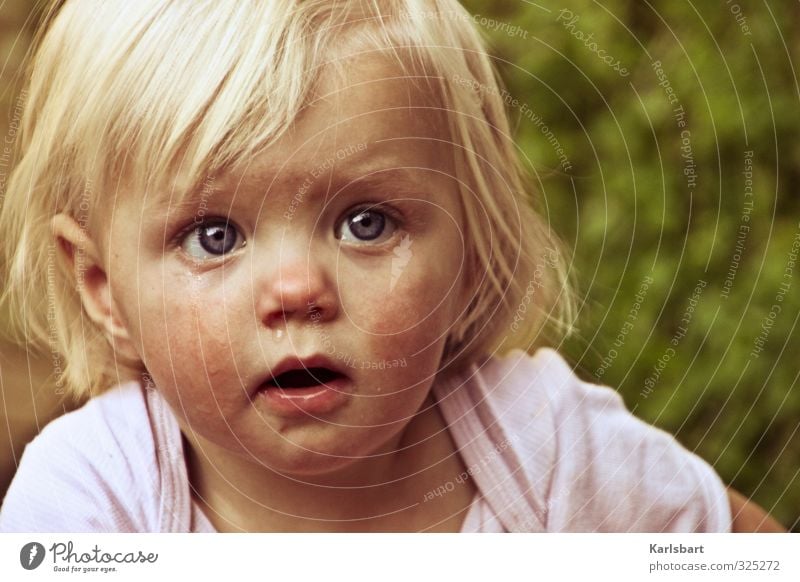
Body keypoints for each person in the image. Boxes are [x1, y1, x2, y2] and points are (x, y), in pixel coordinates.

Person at [0, 0, 783, 532]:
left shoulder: (546, 451)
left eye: (366, 223)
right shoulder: (97, 498)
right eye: (213, 235)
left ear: (470, 252)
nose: (298, 290)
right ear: (104, 290)